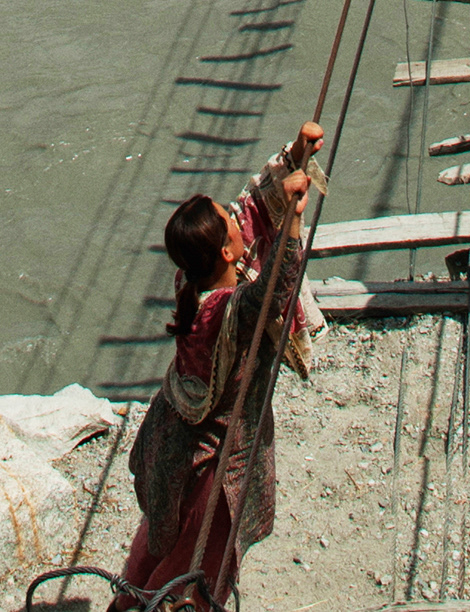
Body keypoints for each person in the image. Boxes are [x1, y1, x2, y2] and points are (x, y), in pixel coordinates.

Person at [118, 123, 323, 606]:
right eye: (225, 221)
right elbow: (275, 285)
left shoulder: (194, 284)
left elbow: (249, 206)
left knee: (161, 535)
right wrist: (292, 219)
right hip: (216, 456)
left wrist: (295, 154)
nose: (234, 215)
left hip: (175, 438)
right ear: (228, 253)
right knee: (200, 559)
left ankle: (124, 603)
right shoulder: (227, 311)